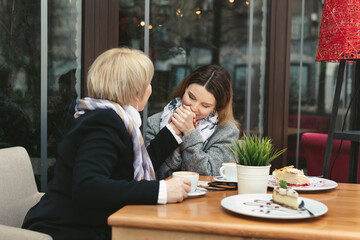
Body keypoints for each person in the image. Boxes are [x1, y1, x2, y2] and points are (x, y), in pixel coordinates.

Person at [22, 48, 192, 240]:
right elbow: (88, 186)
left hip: (86, 225)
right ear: (135, 91)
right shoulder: (104, 122)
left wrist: (172, 133)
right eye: (148, 83)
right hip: (65, 230)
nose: (150, 89)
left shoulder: (111, 118)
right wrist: (160, 190)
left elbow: (129, 168)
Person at [145, 64, 240, 180]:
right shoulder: (155, 122)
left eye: (205, 105)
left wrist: (190, 133)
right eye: (191, 97)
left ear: (217, 107)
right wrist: (173, 139)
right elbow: (149, 174)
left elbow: (210, 175)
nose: (194, 108)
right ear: (185, 88)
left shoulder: (226, 131)